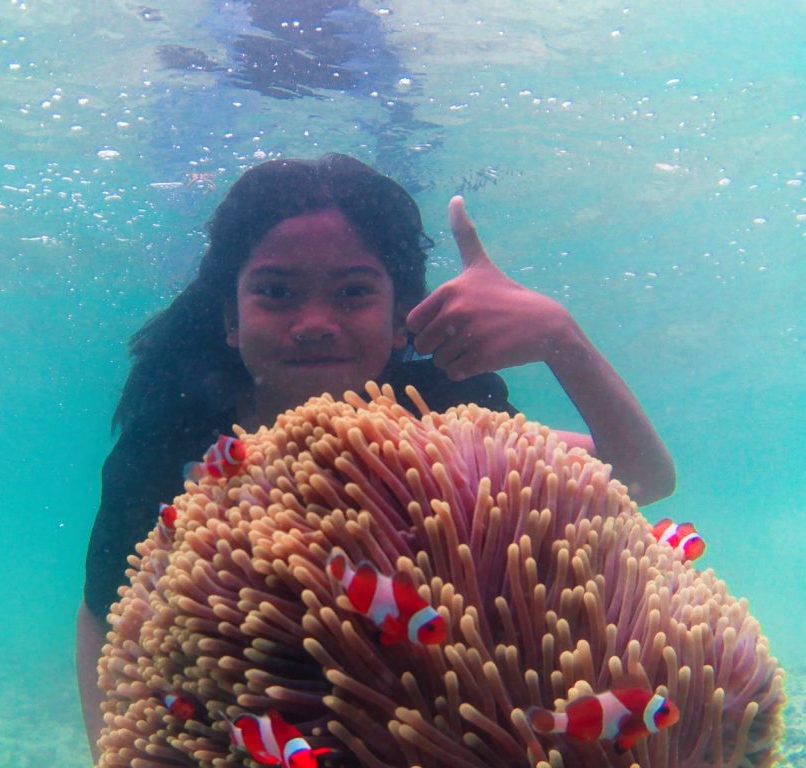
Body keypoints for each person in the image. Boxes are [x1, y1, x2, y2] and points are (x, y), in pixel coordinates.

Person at [75, 154, 675, 762]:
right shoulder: (168, 444)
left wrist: (560, 339)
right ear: (230, 318)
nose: (314, 322)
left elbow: (643, 476)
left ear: (400, 321)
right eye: (276, 292)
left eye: (353, 291)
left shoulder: (443, 411)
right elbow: (103, 610)